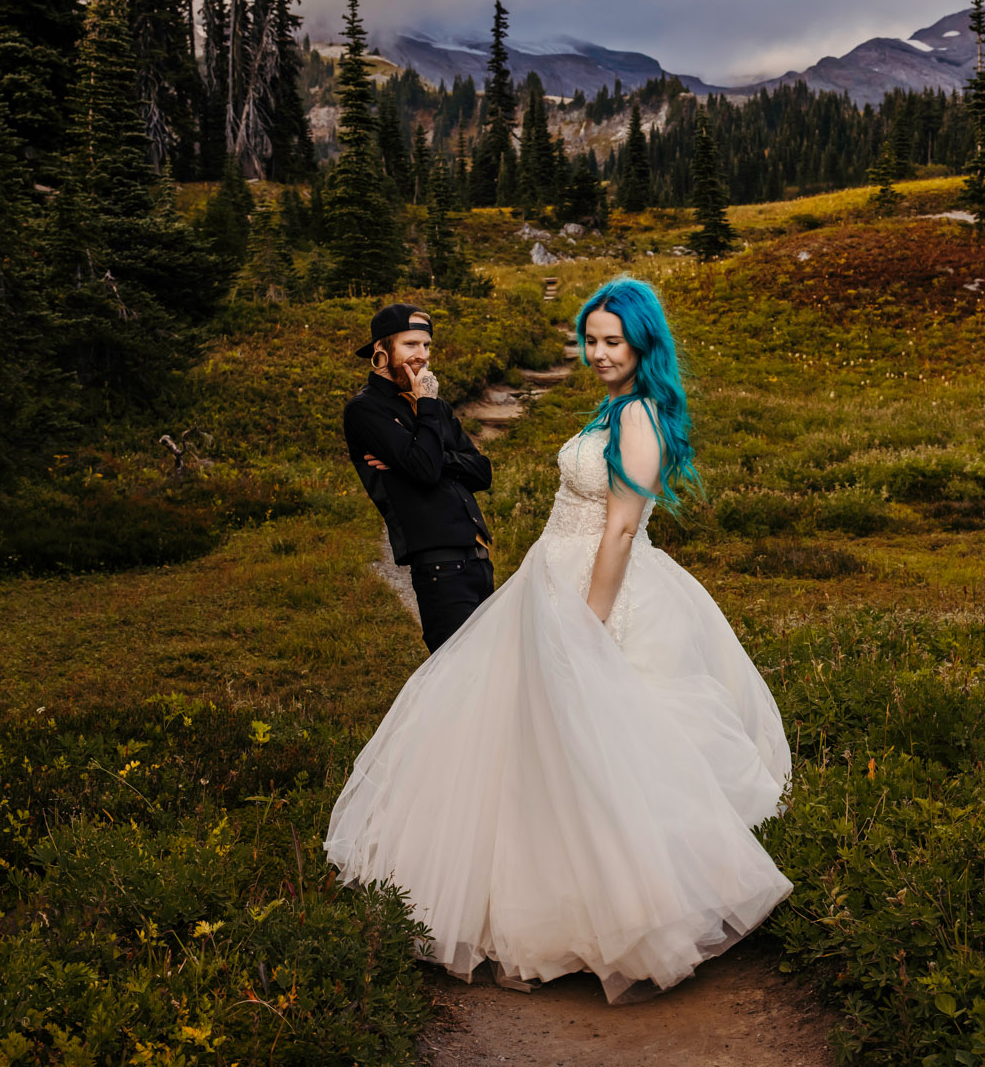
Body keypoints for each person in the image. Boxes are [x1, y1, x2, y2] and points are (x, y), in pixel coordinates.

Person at [325, 276, 792, 1003]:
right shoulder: (613, 406)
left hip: (594, 594)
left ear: (643, 343)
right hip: (550, 584)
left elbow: (622, 526)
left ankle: (635, 912)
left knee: (612, 750)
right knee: (546, 747)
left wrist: (590, 620)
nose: (600, 354)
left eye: (613, 342)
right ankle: (555, 902)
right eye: (592, 340)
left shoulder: (638, 416)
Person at [343, 303, 495, 654]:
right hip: (438, 563)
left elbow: (481, 471)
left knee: (490, 668)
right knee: (457, 672)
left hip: (477, 555)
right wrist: (426, 406)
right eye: (411, 345)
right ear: (381, 351)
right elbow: (425, 472)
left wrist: (420, 457)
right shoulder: (365, 409)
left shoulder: (435, 407)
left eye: (427, 346)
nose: (423, 356)